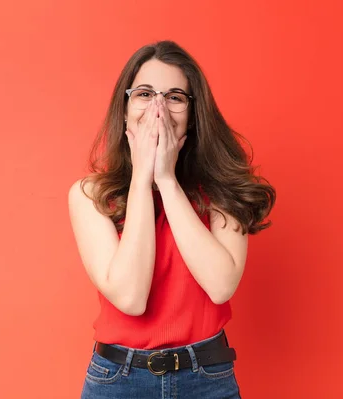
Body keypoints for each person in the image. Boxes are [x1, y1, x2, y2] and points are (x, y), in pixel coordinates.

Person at [68, 40, 275, 399]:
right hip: (118, 381)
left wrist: (165, 179)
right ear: (125, 109)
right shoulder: (90, 195)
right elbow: (131, 298)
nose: (159, 108)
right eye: (145, 93)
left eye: (175, 96)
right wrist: (141, 179)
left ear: (193, 116)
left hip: (206, 378)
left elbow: (221, 285)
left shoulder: (222, 191)